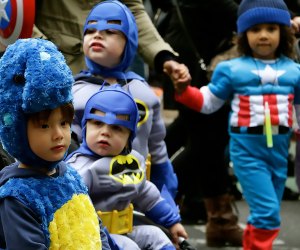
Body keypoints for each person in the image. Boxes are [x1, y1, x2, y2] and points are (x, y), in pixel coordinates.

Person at [174, 0, 300, 248]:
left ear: (283, 32)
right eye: (255, 30)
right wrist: (184, 91)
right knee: (267, 215)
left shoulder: (294, 71)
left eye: (271, 29)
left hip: (279, 150)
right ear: (243, 34)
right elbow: (209, 102)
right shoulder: (230, 69)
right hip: (247, 151)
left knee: (266, 212)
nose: (263, 36)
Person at [71, 0, 189, 200]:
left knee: (156, 233)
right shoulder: (73, 93)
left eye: (110, 32)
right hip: (84, 199)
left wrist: (166, 193)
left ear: (129, 41)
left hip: (135, 198)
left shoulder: (143, 93)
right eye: (90, 31)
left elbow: (158, 149)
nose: (98, 35)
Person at [0, 38, 111, 249]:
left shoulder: (71, 177)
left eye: (64, 123)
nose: (58, 134)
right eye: (44, 126)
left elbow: (97, 230)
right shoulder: (18, 198)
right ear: (17, 130)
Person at [67, 85, 188, 249]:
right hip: (91, 237)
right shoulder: (78, 167)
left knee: (156, 236)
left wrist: (172, 222)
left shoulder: (132, 162)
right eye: (97, 123)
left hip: (123, 229)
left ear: (129, 137)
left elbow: (147, 194)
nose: (105, 132)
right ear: (85, 126)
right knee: (129, 247)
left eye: (116, 128)